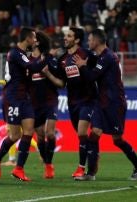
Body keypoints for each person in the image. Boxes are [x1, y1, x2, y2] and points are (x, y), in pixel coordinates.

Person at [73, 29, 137, 181]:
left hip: (115, 103)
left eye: (90, 39)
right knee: (94, 135)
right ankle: (91, 173)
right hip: (102, 102)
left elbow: (92, 76)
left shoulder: (108, 57)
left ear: (97, 41)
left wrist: (82, 66)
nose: (88, 42)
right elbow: (89, 56)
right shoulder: (99, 56)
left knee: (117, 140)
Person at [0, 27, 48, 182]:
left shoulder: (24, 55)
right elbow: (33, 68)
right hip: (13, 98)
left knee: (29, 131)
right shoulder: (15, 53)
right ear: (27, 38)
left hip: (25, 98)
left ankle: (19, 169)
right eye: (34, 38)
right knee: (15, 135)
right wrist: (48, 58)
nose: (35, 41)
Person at [43, 27, 98, 179]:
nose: (65, 38)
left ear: (77, 39)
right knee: (82, 136)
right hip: (73, 102)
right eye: (65, 36)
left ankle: (81, 168)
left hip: (88, 100)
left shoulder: (87, 55)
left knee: (82, 132)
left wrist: (86, 66)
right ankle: (93, 154)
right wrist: (47, 73)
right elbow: (61, 83)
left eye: (69, 36)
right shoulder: (62, 60)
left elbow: (98, 73)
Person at [28, 31, 60, 179]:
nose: (30, 40)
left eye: (33, 38)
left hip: (50, 100)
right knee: (40, 136)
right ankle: (46, 161)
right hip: (34, 103)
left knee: (50, 133)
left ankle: (49, 165)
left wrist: (48, 74)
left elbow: (61, 83)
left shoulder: (50, 59)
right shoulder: (27, 61)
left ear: (38, 42)